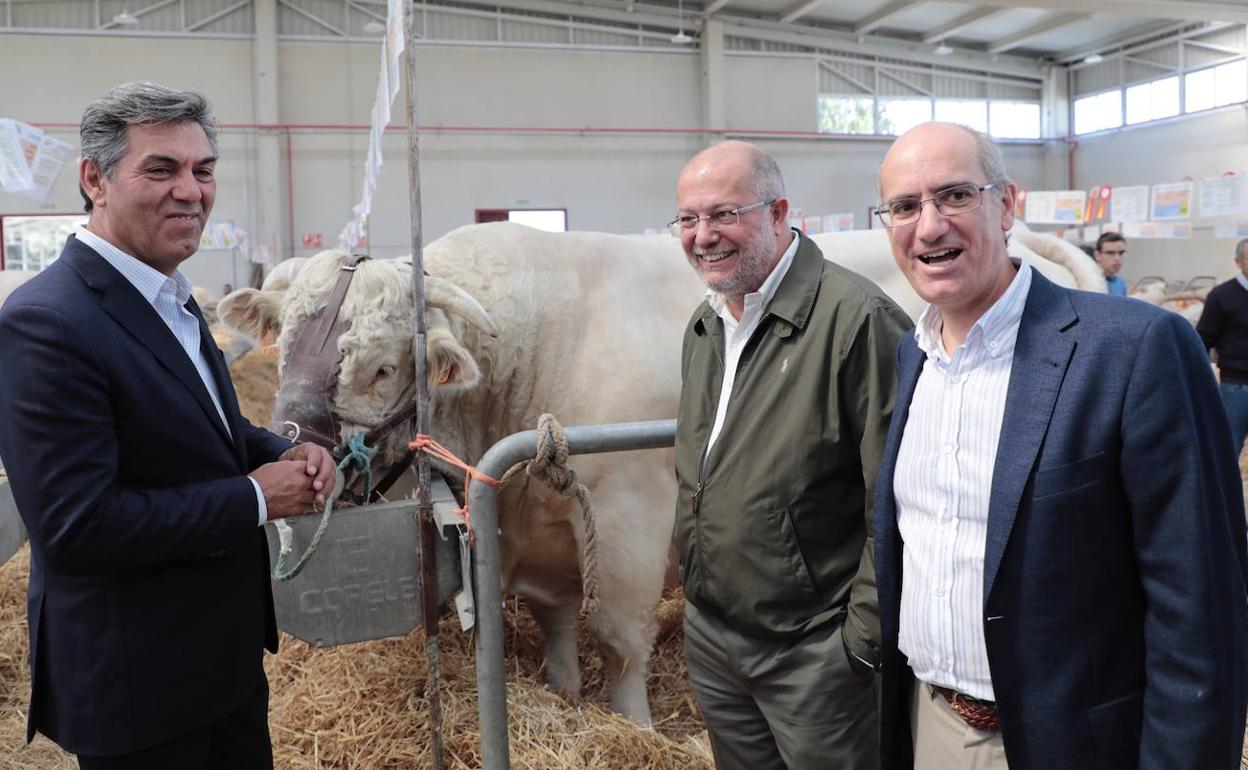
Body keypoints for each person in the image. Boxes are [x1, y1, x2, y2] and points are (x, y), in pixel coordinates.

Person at [872, 121, 1248, 770]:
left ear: (1007, 204)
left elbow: (1199, 607)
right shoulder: (915, 356)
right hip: (928, 725)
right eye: (905, 206)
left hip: (1070, 744)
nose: (929, 226)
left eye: (955, 196)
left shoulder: (1133, 349)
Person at [0, 82, 336, 769]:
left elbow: (207, 432)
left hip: (224, 660)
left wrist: (290, 452)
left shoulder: (169, 296)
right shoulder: (48, 322)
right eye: (161, 169)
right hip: (138, 685)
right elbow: (76, 528)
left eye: (203, 170)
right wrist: (256, 498)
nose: (191, 191)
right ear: (95, 179)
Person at [671, 140, 912, 769]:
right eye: (689, 220)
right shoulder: (707, 326)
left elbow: (901, 499)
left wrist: (861, 643)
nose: (703, 236)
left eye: (724, 214)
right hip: (716, 637)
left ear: (778, 213)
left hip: (813, 651)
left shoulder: (858, 320)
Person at [1197, 237, 1248, 459]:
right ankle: (1225, 493)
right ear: (1238, 262)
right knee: (1227, 450)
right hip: (1236, 386)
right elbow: (1203, 339)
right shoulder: (1221, 296)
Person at [1093, 231, 1128, 295]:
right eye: (1110, 253)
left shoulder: (1121, 283)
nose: (1117, 258)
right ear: (1097, 255)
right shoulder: (1089, 283)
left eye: (1121, 253)